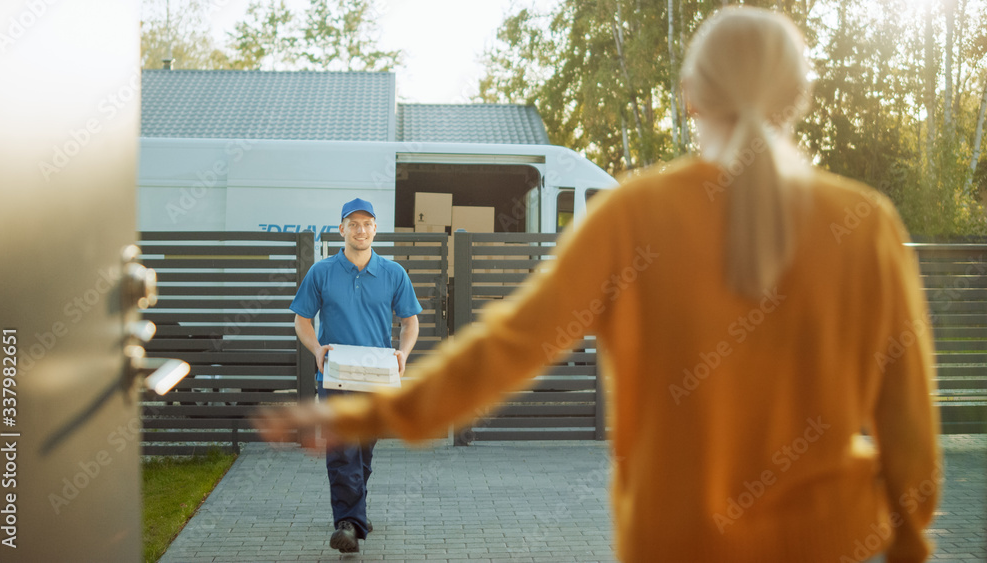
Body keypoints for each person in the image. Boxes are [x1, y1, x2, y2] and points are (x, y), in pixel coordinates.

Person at [258, 8, 940, 562]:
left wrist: (361, 413)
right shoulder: (867, 225)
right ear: (802, 97)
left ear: (691, 98)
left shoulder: (636, 216)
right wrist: (908, 540)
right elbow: (910, 435)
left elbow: (503, 351)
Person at [287, 197, 421, 553]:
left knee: (362, 451)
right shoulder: (321, 272)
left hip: (377, 381)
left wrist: (403, 354)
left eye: (367, 224)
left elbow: (411, 322)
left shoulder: (393, 273)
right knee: (342, 448)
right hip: (335, 378)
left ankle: (355, 511)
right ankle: (347, 525)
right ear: (341, 228)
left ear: (375, 229)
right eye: (353, 224)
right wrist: (317, 349)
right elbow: (302, 319)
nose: (360, 230)